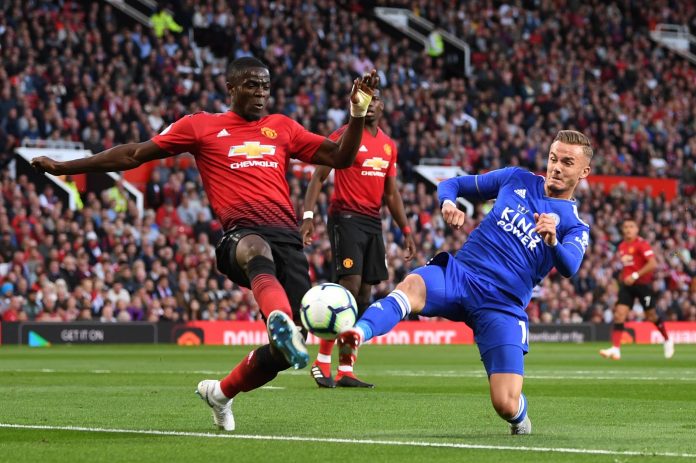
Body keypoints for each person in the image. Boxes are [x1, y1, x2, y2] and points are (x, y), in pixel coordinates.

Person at [31, 56, 379, 431]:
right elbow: (133, 154)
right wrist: (66, 168)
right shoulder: (201, 126)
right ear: (231, 88)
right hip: (239, 236)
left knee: (283, 353)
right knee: (255, 250)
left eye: (264, 85)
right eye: (250, 84)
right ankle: (276, 317)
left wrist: (357, 113)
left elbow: (342, 157)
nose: (260, 92)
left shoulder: (282, 128)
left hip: (288, 242)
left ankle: (220, 393)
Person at [336, 130, 594, 435]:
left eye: (567, 162)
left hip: (503, 305)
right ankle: (358, 333)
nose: (557, 167)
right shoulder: (516, 179)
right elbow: (452, 184)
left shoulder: (575, 226)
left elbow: (570, 267)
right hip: (461, 276)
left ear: (583, 171)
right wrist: (448, 203)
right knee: (411, 287)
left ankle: (520, 419)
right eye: (553, 158)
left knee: (505, 403)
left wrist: (552, 241)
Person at [300, 89, 416, 388]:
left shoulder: (389, 146)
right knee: (348, 287)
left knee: (364, 297)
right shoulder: (345, 134)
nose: (373, 104)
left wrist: (405, 230)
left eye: (377, 99)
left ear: (382, 106)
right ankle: (321, 361)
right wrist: (309, 216)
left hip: (373, 222)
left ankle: (345, 370)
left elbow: (391, 193)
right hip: (345, 217)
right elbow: (318, 177)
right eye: (369, 99)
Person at [599, 219, 673, 360]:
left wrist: (635, 275)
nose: (628, 229)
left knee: (651, 316)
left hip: (642, 285)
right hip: (627, 286)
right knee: (619, 314)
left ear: (637, 229)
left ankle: (667, 339)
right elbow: (626, 267)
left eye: (631, 226)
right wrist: (621, 279)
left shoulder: (642, 244)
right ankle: (616, 349)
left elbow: (653, 263)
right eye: (625, 226)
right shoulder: (621, 246)